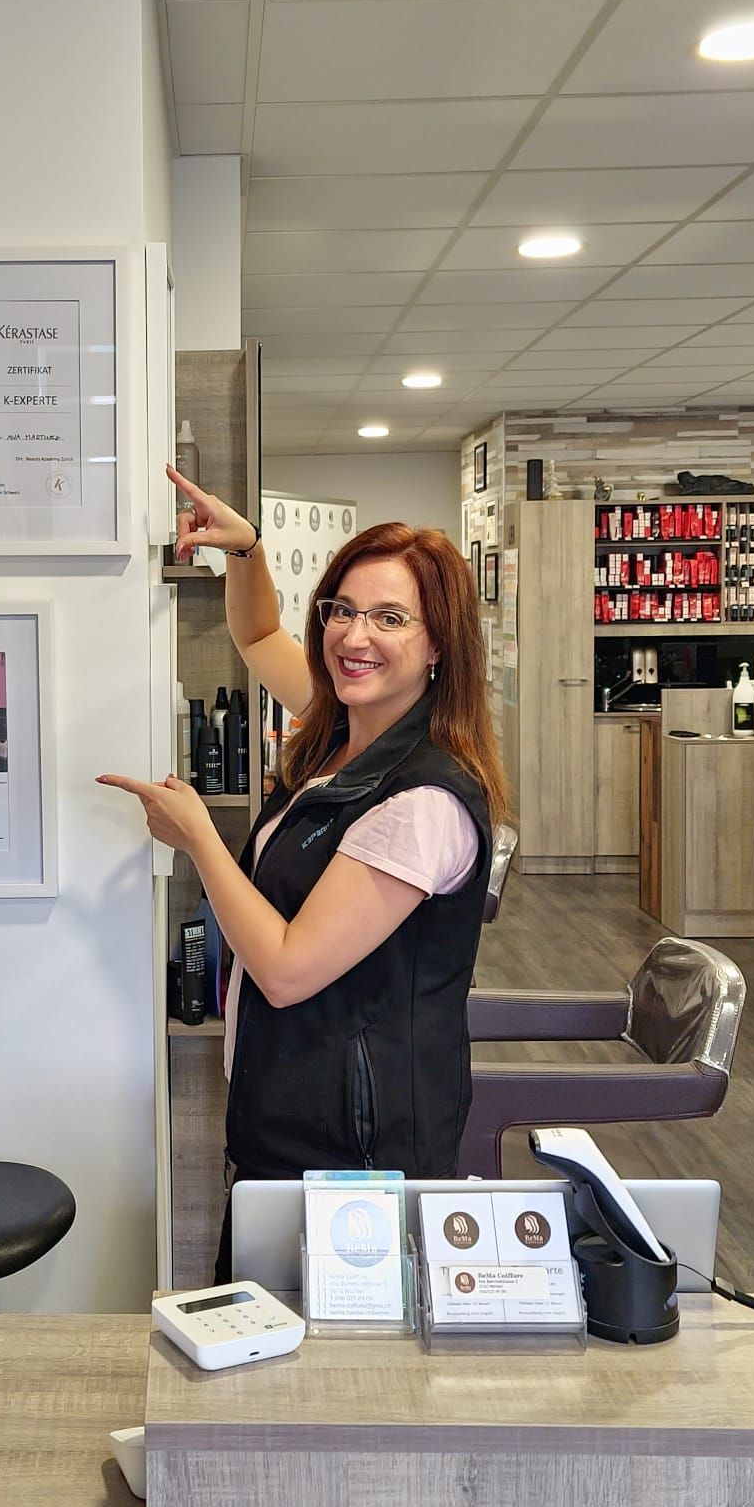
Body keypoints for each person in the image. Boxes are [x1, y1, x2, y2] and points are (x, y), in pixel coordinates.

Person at [99, 467, 509, 1278]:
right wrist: (246, 547)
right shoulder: (339, 733)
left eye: (390, 618)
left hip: (358, 1145)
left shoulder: (422, 800)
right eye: (343, 611)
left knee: (334, 1375)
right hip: (293, 1104)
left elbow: (287, 969)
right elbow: (257, 639)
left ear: (438, 646)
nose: (355, 637)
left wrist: (199, 841)